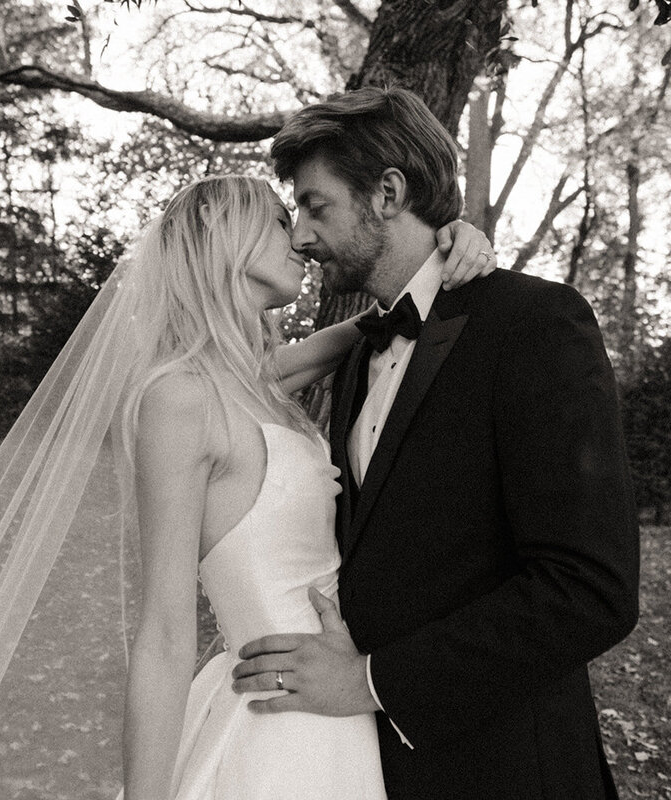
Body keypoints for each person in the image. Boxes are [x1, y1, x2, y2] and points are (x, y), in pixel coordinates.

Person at [0, 174, 494, 800]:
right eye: (281, 220)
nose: (302, 239)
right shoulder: (178, 399)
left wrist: (448, 246)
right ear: (227, 237)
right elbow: (161, 629)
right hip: (276, 722)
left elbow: (381, 325)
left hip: (340, 703)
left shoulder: (251, 381)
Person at [232, 87, 641, 799]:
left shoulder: (534, 324)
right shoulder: (360, 355)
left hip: (510, 770)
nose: (300, 234)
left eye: (315, 205)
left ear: (387, 192)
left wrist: (369, 681)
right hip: (369, 766)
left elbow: (590, 590)